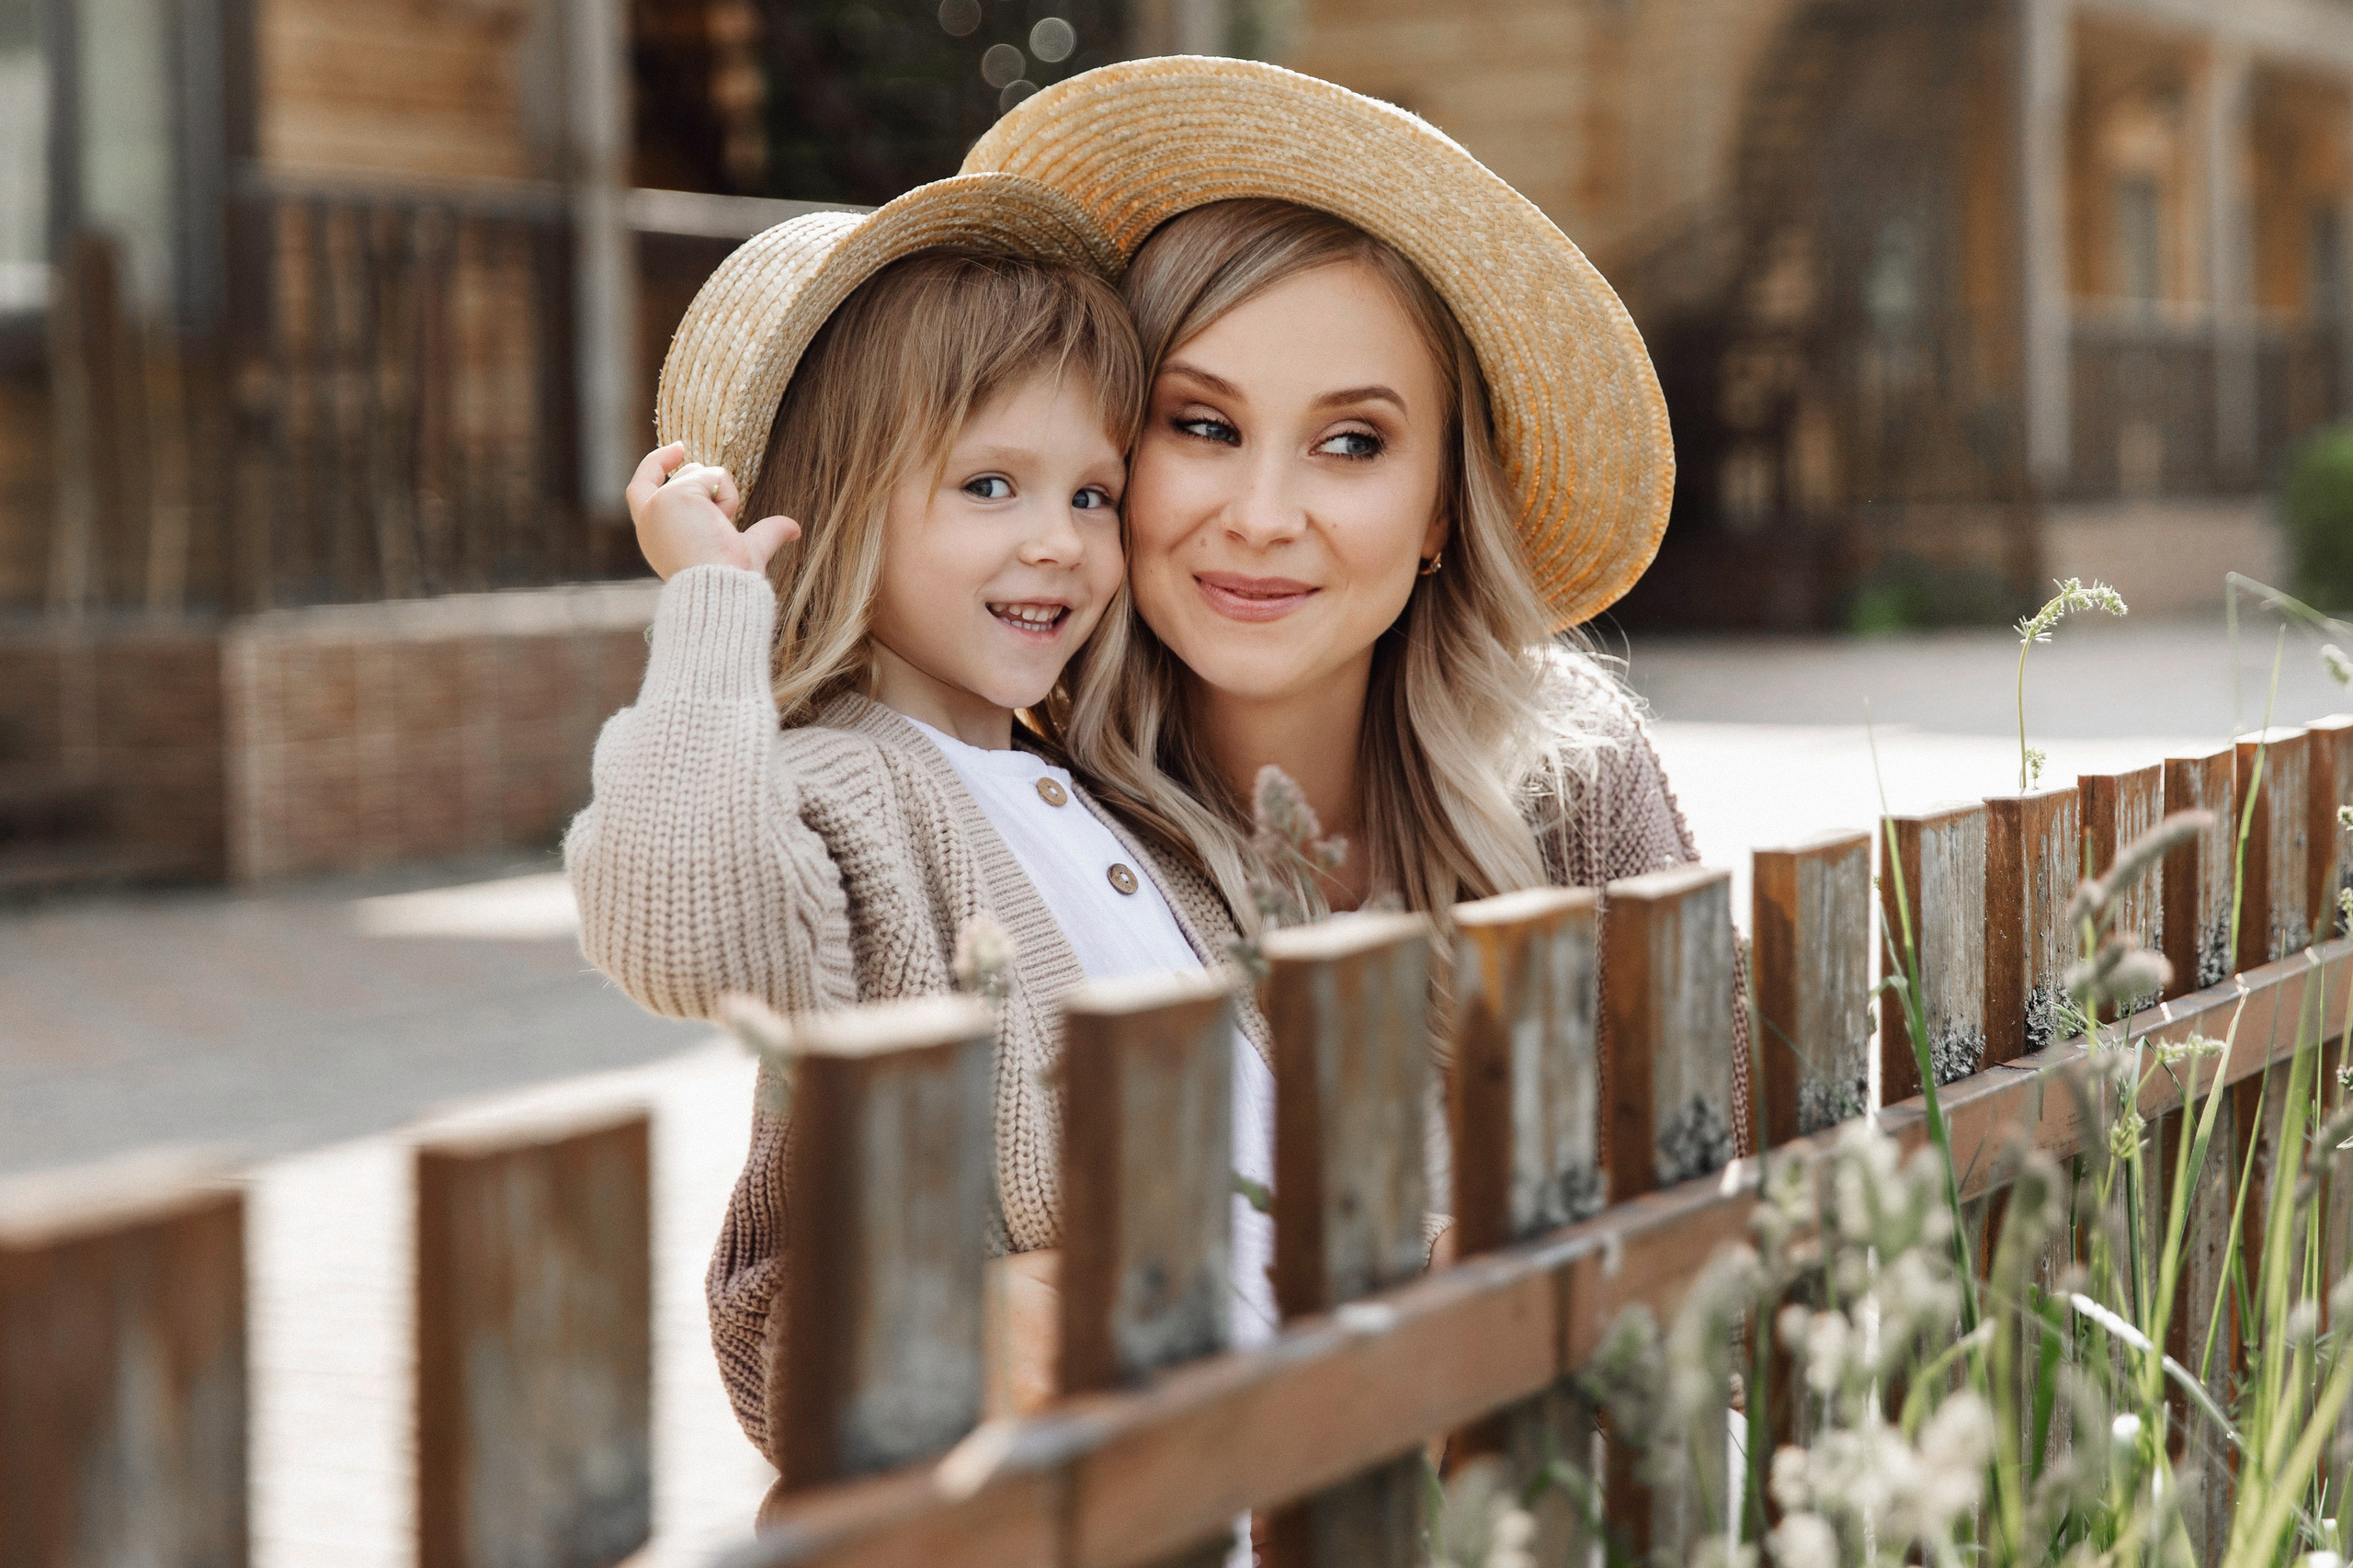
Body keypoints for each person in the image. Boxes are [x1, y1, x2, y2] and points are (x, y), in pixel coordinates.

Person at [562, 173, 1277, 1469]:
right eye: (990, 486)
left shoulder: (1122, 801)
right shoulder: (848, 786)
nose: (1058, 541)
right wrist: (716, 608)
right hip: (1040, 1443)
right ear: (840, 506)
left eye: (1091, 495)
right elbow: (685, 928)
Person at [966, 60, 1752, 1178]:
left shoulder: (1564, 773)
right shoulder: (980, 807)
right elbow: (777, 1303)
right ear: (1110, 450)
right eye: (1201, 424)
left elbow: (1733, 1199)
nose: (1262, 516)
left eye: (1351, 443)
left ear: (1440, 507)